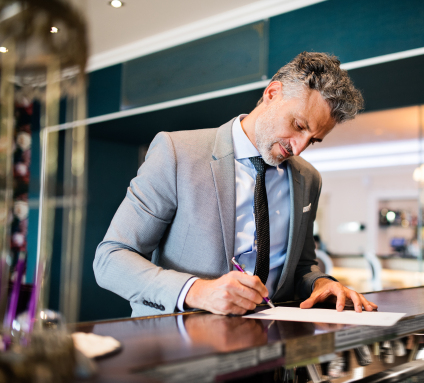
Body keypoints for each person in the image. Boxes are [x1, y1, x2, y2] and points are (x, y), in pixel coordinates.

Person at [93, 52, 378, 317]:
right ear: (272, 93)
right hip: (176, 345)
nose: (299, 148)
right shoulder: (177, 152)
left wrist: (320, 283)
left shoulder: (308, 178)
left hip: (269, 347)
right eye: (299, 126)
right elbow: (111, 258)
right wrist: (196, 291)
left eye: (313, 140)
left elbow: (302, 265)